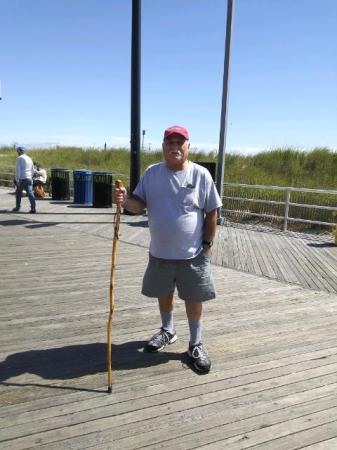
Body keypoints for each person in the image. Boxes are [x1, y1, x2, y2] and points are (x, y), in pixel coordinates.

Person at [113, 125, 222, 373]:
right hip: (160, 252)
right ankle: (168, 330)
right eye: (169, 142)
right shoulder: (152, 173)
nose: (174, 146)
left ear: (188, 146)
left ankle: (195, 343)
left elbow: (212, 210)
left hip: (192, 254)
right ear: (163, 147)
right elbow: (137, 204)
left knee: (193, 298)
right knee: (164, 293)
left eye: (179, 142)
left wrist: (207, 244)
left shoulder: (201, 174)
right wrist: (122, 199)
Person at [12, 146, 36, 213]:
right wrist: (30, 176)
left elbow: (18, 170)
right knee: (30, 193)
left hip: (22, 178)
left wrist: (17, 180)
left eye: (17, 151)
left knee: (18, 193)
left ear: (19, 151)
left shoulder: (19, 158)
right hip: (29, 178)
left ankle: (17, 207)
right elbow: (33, 169)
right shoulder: (29, 158)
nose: (17, 153)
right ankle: (33, 208)